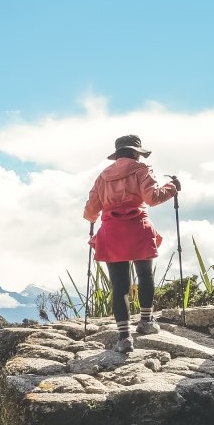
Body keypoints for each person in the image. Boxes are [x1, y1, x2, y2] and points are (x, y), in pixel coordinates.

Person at [83, 133, 180, 352]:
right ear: (136, 153)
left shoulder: (102, 176)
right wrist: (172, 187)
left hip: (112, 232)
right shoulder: (141, 170)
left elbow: (91, 209)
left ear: (116, 155)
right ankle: (146, 322)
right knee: (145, 275)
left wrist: (91, 218)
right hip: (138, 228)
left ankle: (124, 338)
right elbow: (152, 198)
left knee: (119, 285)